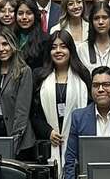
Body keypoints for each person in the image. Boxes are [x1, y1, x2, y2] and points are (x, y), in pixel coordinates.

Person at [30, 30, 92, 168]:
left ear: (71, 50)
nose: (58, 51)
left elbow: (89, 111)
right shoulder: (39, 76)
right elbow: (33, 114)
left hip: (76, 140)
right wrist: (48, 132)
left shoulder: (83, 75)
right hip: (47, 143)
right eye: (54, 47)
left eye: (63, 46)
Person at [0, 28, 36, 157]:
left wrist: (14, 142)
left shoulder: (24, 71)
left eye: (5, 44)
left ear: (13, 45)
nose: (1, 49)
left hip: (19, 138)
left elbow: (22, 112)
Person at [13, 0, 49, 70]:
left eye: (29, 13)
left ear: (35, 15)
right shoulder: (11, 37)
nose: (24, 17)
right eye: (20, 13)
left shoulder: (45, 39)